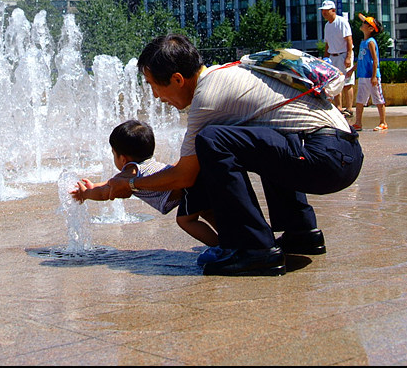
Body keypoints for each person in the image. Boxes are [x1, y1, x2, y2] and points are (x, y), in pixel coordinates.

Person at [101, 34, 363, 276]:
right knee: (264, 134)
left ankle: (254, 249)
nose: (156, 97)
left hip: (326, 160)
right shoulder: (225, 74)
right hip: (342, 152)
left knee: (212, 140)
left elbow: (184, 176)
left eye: (153, 86)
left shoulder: (207, 97)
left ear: (178, 79)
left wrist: (132, 184)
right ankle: (301, 233)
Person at [70, 119, 223, 264]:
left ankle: (220, 247)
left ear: (123, 159)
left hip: (189, 190)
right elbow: (112, 182)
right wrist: (94, 185)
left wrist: (86, 194)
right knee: (205, 211)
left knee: (185, 220)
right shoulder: (143, 166)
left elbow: (108, 192)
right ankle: (229, 239)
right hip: (198, 183)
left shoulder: (131, 172)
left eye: (113, 154)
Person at [349, 13, 387, 132]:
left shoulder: (371, 42)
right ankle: (358, 123)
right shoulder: (363, 42)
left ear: (370, 29)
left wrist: (374, 76)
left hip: (371, 76)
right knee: (360, 100)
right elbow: (361, 60)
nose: (362, 24)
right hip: (363, 76)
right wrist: (352, 70)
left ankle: (383, 122)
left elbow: (375, 60)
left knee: (378, 99)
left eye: (365, 23)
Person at [321, 0, 354, 118]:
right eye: (323, 11)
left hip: (343, 54)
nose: (324, 13)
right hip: (332, 56)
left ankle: (349, 108)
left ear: (333, 10)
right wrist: (325, 58)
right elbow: (327, 44)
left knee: (347, 82)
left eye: (326, 10)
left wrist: (348, 57)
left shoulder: (342, 22)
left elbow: (349, 40)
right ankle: (338, 107)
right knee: (335, 83)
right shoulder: (327, 26)